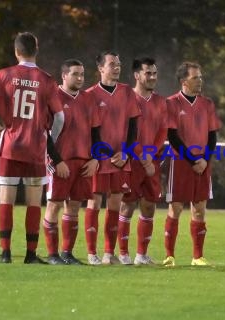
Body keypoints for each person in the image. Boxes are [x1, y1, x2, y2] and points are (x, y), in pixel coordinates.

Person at [0, 31, 64, 264]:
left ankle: (5, 253)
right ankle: (31, 254)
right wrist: (48, 137)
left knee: (6, 200)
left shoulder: (4, 75)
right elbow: (60, 117)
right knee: (34, 203)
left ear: (16, 51)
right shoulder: (46, 79)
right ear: (37, 49)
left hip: (10, 146)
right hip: (35, 148)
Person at [84, 51, 141, 265]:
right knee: (95, 200)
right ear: (100, 69)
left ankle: (109, 252)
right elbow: (89, 131)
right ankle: (92, 253)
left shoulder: (127, 92)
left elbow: (134, 127)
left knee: (115, 202)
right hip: (99, 158)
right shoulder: (90, 95)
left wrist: (126, 152)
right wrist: (102, 155)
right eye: (112, 64)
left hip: (122, 158)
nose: (117, 67)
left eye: (118, 64)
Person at [42, 59, 101, 265]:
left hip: (83, 162)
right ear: (64, 76)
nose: (80, 78)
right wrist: (56, 160)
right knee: (55, 204)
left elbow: (96, 132)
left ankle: (67, 253)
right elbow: (45, 133)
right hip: (60, 162)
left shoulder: (88, 99)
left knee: (74, 206)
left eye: (82, 74)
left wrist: (95, 158)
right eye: (75, 74)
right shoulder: (53, 97)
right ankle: (52, 255)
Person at [163, 61, 221, 267]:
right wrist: (192, 160)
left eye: (201, 77)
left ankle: (197, 257)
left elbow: (213, 136)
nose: (200, 80)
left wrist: (205, 160)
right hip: (181, 163)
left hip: (203, 164)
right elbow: (172, 136)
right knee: (176, 207)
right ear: (183, 81)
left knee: (199, 209)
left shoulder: (207, 104)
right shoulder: (171, 103)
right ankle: (170, 255)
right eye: (195, 77)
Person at [119, 57, 167, 265]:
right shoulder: (126, 98)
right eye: (148, 73)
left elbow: (162, 130)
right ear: (137, 75)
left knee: (149, 205)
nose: (153, 77)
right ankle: (122, 254)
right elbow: (124, 132)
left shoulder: (160, 102)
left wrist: (150, 154)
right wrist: (141, 155)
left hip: (151, 161)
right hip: (130, 159)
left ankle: (141, 255)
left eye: (155, 73)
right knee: (126, 205)